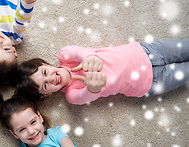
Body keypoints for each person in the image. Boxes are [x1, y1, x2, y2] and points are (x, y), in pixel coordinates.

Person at [16, 39, 189, 105]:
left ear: (44, 63)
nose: (51, 79)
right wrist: (92, 87)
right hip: (150, 83)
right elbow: (89, 94)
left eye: (45, 72)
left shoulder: (65, 55)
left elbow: (81, 52)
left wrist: (89, 58)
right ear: (46, 95)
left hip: (146, 51)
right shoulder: (72, 96)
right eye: (45, 85)